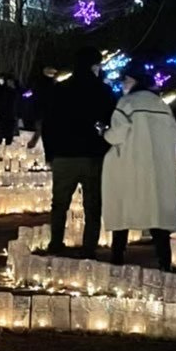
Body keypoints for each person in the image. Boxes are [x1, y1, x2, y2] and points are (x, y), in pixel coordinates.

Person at [101, 63, 176, 269]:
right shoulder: (162, 105)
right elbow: (174, 135)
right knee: (157, 216)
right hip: (158, 168)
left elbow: (117, 134)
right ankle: (164, 262)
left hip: (130, 165)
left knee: (123, 212)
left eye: (126, 80)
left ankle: (117, 258)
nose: (123, 84)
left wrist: (104, 133)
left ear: (135, 81)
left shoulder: (127, 103)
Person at [41, 46, 117, 256]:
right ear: (94, 66)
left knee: (59, 203)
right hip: (94, 155)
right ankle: (89, 247)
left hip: (64, 155)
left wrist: (50, 153)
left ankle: (56, 243)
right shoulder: (103, 90)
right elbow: (113, 122)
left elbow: (48, 123)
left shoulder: (60, 89)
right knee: (93, 205)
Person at [26, 66, 58, 150]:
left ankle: (34, 143)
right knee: (42, 128)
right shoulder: (51, 85)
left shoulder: (39, 83)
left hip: (40, 110)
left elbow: (33, 93)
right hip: (45, 110)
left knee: (40, 128)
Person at [0, 73, 19, 145]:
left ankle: (6, 146)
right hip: (3, 115)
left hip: (10, 116)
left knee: (8, 136)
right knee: (0, 135)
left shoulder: (15, 91)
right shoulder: (2, 90)